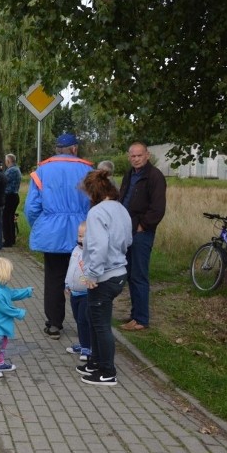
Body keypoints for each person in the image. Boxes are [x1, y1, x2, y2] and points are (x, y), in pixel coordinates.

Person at [24, 133, 93, 339]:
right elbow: (95, 203)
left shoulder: (43, 170)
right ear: (75, 149)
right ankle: (85, 325)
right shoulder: (88, 170)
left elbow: (31, 207)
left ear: (57, 149)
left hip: (52, 234)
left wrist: (40, 225)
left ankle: (54, 324)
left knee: (54, 279)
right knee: (83, 276)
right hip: (82, 232)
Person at [76, 170, 132, 386]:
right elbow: (127, 240)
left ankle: (108, 371)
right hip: (119, 273)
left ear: (93, 193)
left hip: (103, 276)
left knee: (100, 325)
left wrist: (91, 273)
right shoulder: (121, 209)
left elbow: (99, 247)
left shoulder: (97, 213)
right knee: (94, 318)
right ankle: (95, 362)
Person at [118, 142, 167, 331]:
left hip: (141, 232)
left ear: (147, 155)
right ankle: (135, 314)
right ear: (129, 157)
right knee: (130, 273)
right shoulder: (129, 174)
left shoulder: (154, 176)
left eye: (139, 155)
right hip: (126, 229)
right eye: (132, 156)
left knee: (139, 275)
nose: (136, 159)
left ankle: (141, 319)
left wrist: (142, 225)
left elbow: (158, 209)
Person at [0, 257, 33, 378]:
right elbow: (4, 308)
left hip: (1, 324)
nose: (11, 275)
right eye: (9, 273)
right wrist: (19, 312)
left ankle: (0, 363)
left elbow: (12, 294)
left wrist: (27, 291)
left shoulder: (3, 288)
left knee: (3, 343)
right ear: (1, 274)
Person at [65, 222, 91, 361]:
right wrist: (67, 283)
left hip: (86, 293)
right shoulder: (75, 250)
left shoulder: (91, 253)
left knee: (83, 320)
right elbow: (71, 268)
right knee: (77, 319)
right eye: (79, 235)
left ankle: (88, 346)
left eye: (83, 236)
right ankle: (82, 343)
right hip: (74, 291)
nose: (80, 239)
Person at [2, 153, 22, 247]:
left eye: (6, 161)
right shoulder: (16, 169)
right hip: (14, 196)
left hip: (9, 196)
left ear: (8, 161)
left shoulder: (11, 171)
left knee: (6, 219)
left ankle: (8, 240)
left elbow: (3, 181)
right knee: (10, 218)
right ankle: (12, 239)